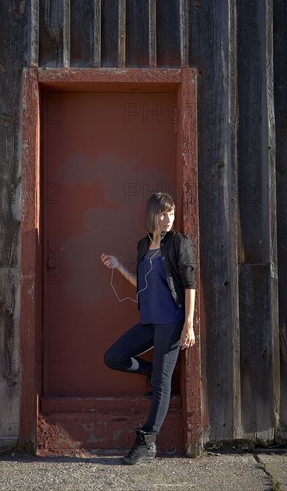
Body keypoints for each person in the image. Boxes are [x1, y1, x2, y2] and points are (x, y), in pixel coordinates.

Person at [101, 192, 196, 465]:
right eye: (163, 214)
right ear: (151, 215)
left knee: (161, 384)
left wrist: (188, 325)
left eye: (172, 214)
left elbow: (189, 284)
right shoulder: (143, 246)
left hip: (171, 322)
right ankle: (149, 372)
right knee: (113, 357)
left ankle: (147, 442)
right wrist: (118, 266)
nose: (168, 219)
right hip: (149, 321)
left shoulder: (179, 243)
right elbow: (143, 286)